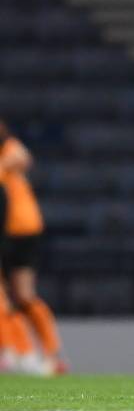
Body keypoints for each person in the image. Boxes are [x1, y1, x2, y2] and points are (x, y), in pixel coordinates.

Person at [0, 121, 67, 375]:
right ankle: (17, 351)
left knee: (23, 296)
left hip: (21, 230)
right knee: (6, 298)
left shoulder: (9, 149)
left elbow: (23, 158)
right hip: (7, 230)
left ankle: (49, 353)